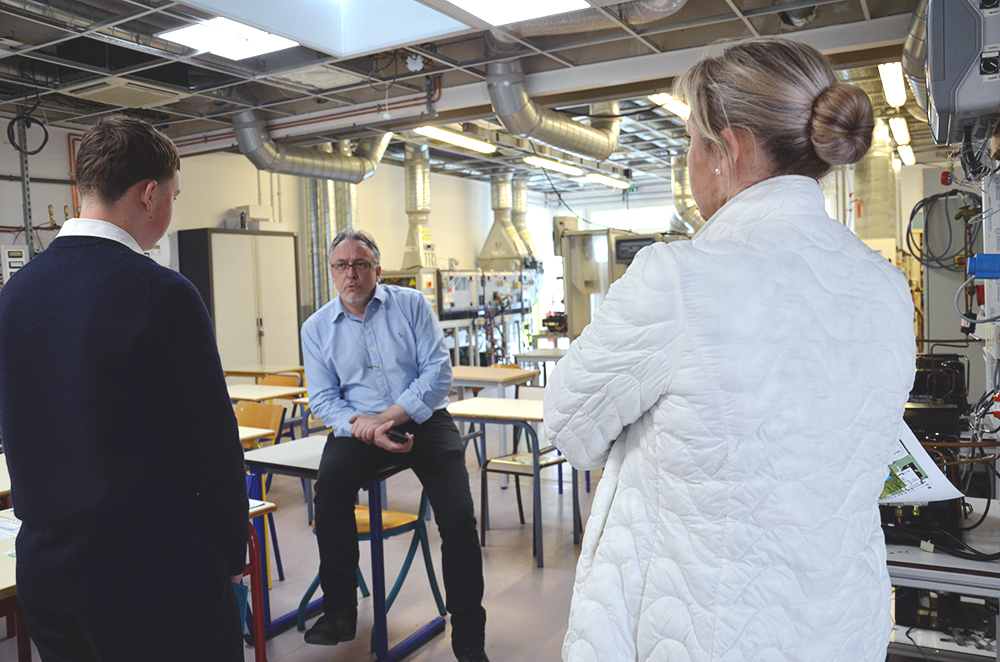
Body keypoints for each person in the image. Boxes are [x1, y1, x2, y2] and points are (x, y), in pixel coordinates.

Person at [544, 37, 916, 662]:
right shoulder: (884, 286)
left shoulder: (680, 278)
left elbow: (568, 425)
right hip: (842, 627)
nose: (689, 158)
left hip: (705, 634)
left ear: (731, 149)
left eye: (692, 138)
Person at [0, 114, 249, 662]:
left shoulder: (14, 296)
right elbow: (211, 442)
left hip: (50, 583)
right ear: (150, 194)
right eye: (175, 196)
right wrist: (233, 548)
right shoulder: (161, 294)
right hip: (154, 584)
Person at [301, 229, 488, 662]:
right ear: (331, 273)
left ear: (378, 271)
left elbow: (438, 374)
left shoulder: (412, 305)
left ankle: (468, 636)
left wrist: (386, 419)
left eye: (361, 264)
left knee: (458, 516)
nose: (351, 273)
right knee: (329, 489)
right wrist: (364, 428)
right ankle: (340, 610)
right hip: (358, 426)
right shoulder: (316, 328)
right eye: (342, 266)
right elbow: (324, 399)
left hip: (422, 418)